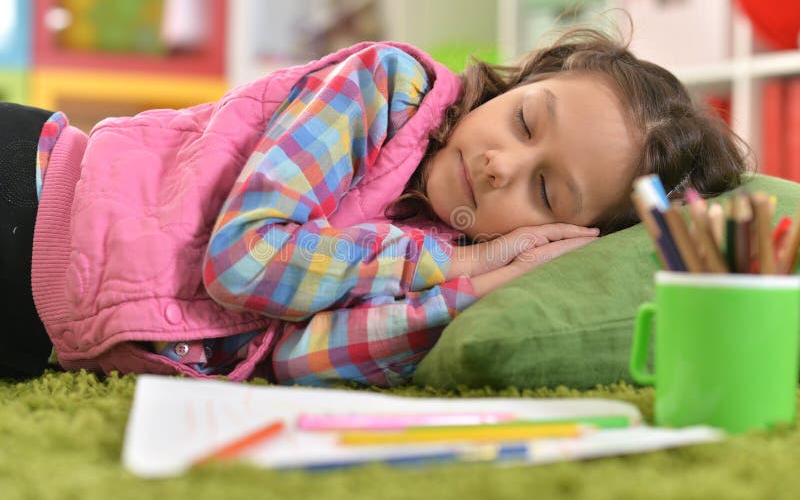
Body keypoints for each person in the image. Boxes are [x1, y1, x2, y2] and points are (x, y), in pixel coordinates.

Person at [0, 27, 748, 385]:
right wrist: (456, 259)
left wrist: (473, 288)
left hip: (38, 331)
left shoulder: (434, 252)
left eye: (543, 190)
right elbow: (245, 259)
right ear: (521, 82)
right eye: (524, 121)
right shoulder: (386, 89)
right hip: (28, 195)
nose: (499, 165)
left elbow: (299, 360)